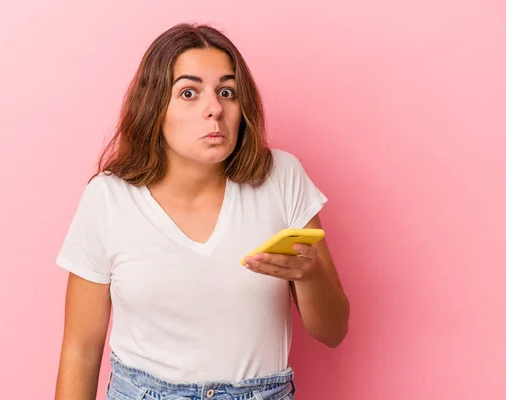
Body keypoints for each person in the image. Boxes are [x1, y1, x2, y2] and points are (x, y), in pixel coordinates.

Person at [54, 23, 350, 400]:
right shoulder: (108, 197)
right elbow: (80, 349)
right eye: (189, 93)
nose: (214, 109)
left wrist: (310, 277)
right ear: (155, 105)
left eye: (227, 92)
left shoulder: (281, 177)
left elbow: (334, 331)